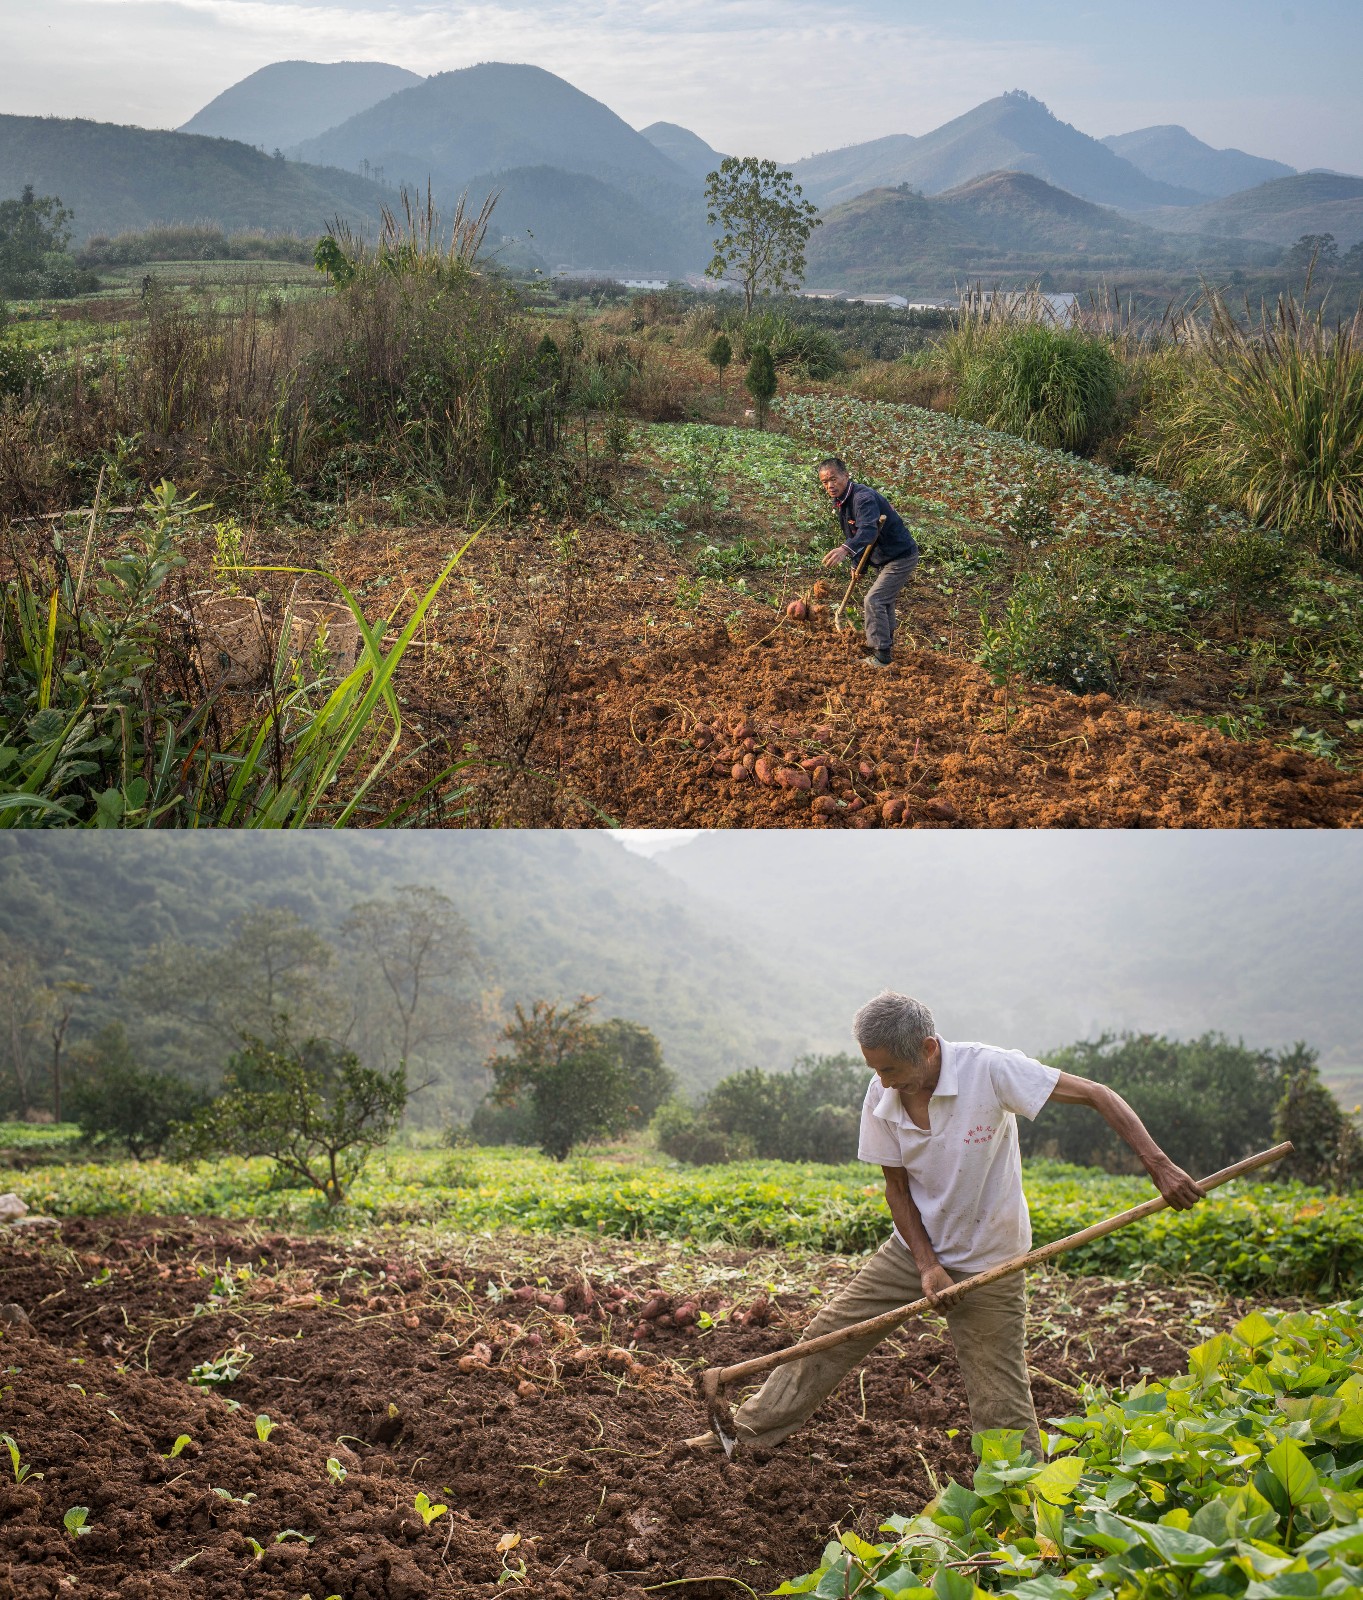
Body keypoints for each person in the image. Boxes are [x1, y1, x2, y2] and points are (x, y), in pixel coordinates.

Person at [685, 992, 1203, 1459]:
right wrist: (927, 1264)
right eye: (876, 1069)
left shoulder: (990, 1071)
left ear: (928, 1047)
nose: (883, 1082)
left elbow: (1096, 1093)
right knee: (828, 1336)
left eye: (891, 1069)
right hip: (913, 1248)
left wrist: (1158, 1165)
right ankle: (744, 1432)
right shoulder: (880, 1092)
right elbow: (897, 1188)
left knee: (998, 1395)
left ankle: (1021, 1497)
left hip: (991, 1261)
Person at [817, 458, 920, 668]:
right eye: (825, 482)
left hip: (901, 556)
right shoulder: (844, 503)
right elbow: (855, 534)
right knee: (884, 600)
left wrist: (845, 549)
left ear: (846, 476)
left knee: (874, 600)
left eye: (833, 479)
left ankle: (882, 656)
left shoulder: (863, 498)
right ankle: (886, 644)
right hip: (885, 558)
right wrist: (858, 566)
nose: (830, 485)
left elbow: (868, 531)